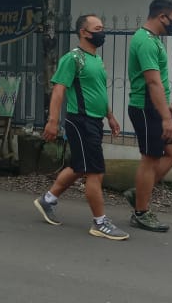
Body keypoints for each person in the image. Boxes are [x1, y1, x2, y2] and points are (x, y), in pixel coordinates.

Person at [33, 14, 128, 240]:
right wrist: (52, 121)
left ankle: (47, 200)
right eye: (98, 28)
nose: (102, 32)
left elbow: (99, 93)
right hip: (80, 122)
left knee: (79, 166)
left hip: (95, 121)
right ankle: (100, 222)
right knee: (95, 171)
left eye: (102, 28)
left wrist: (111, 116)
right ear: (84, 32)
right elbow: (59, 90)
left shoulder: (96, 60)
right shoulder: (73, 59)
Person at [124, 0, 172, 233]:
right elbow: (153, 82)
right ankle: (141, 212)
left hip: (155, 107)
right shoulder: (146, 42)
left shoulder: (153, 40)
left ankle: (139, 193)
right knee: (150, 159)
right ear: (162, 16)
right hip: (146, 108)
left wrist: (166, 106)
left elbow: (160, 83)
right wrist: (165, 118)